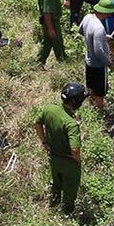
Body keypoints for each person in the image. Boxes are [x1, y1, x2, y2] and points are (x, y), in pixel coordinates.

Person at [34, 82, 87, 215]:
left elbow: (37, 123)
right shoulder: (71, 124)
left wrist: (44, 142)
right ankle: (66, 214)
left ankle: (53, 206)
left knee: (56, 185)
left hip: (53, 157)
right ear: (76, 102)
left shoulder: (49, 109)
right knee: (70, 191)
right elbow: (75, 150)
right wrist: (77, 160)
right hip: (69, 162)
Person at [79, 0, 114, 111]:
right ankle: (100, 113)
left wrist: (102, 38)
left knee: (91, 88)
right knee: (100, 93)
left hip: (89, 62)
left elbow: (81, 30)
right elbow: (99, 51)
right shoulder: (99, 28)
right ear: (106, 12)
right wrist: (109, 63)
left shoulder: (87, 18)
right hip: (99, 66)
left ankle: (92, 109)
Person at [36, 0, 71, 67]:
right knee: (57, 42)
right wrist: (51, 28)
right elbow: (47, 12)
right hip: (51, 22)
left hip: (48, 21)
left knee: (47, 43)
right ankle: (63, 61)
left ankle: (39, 63)